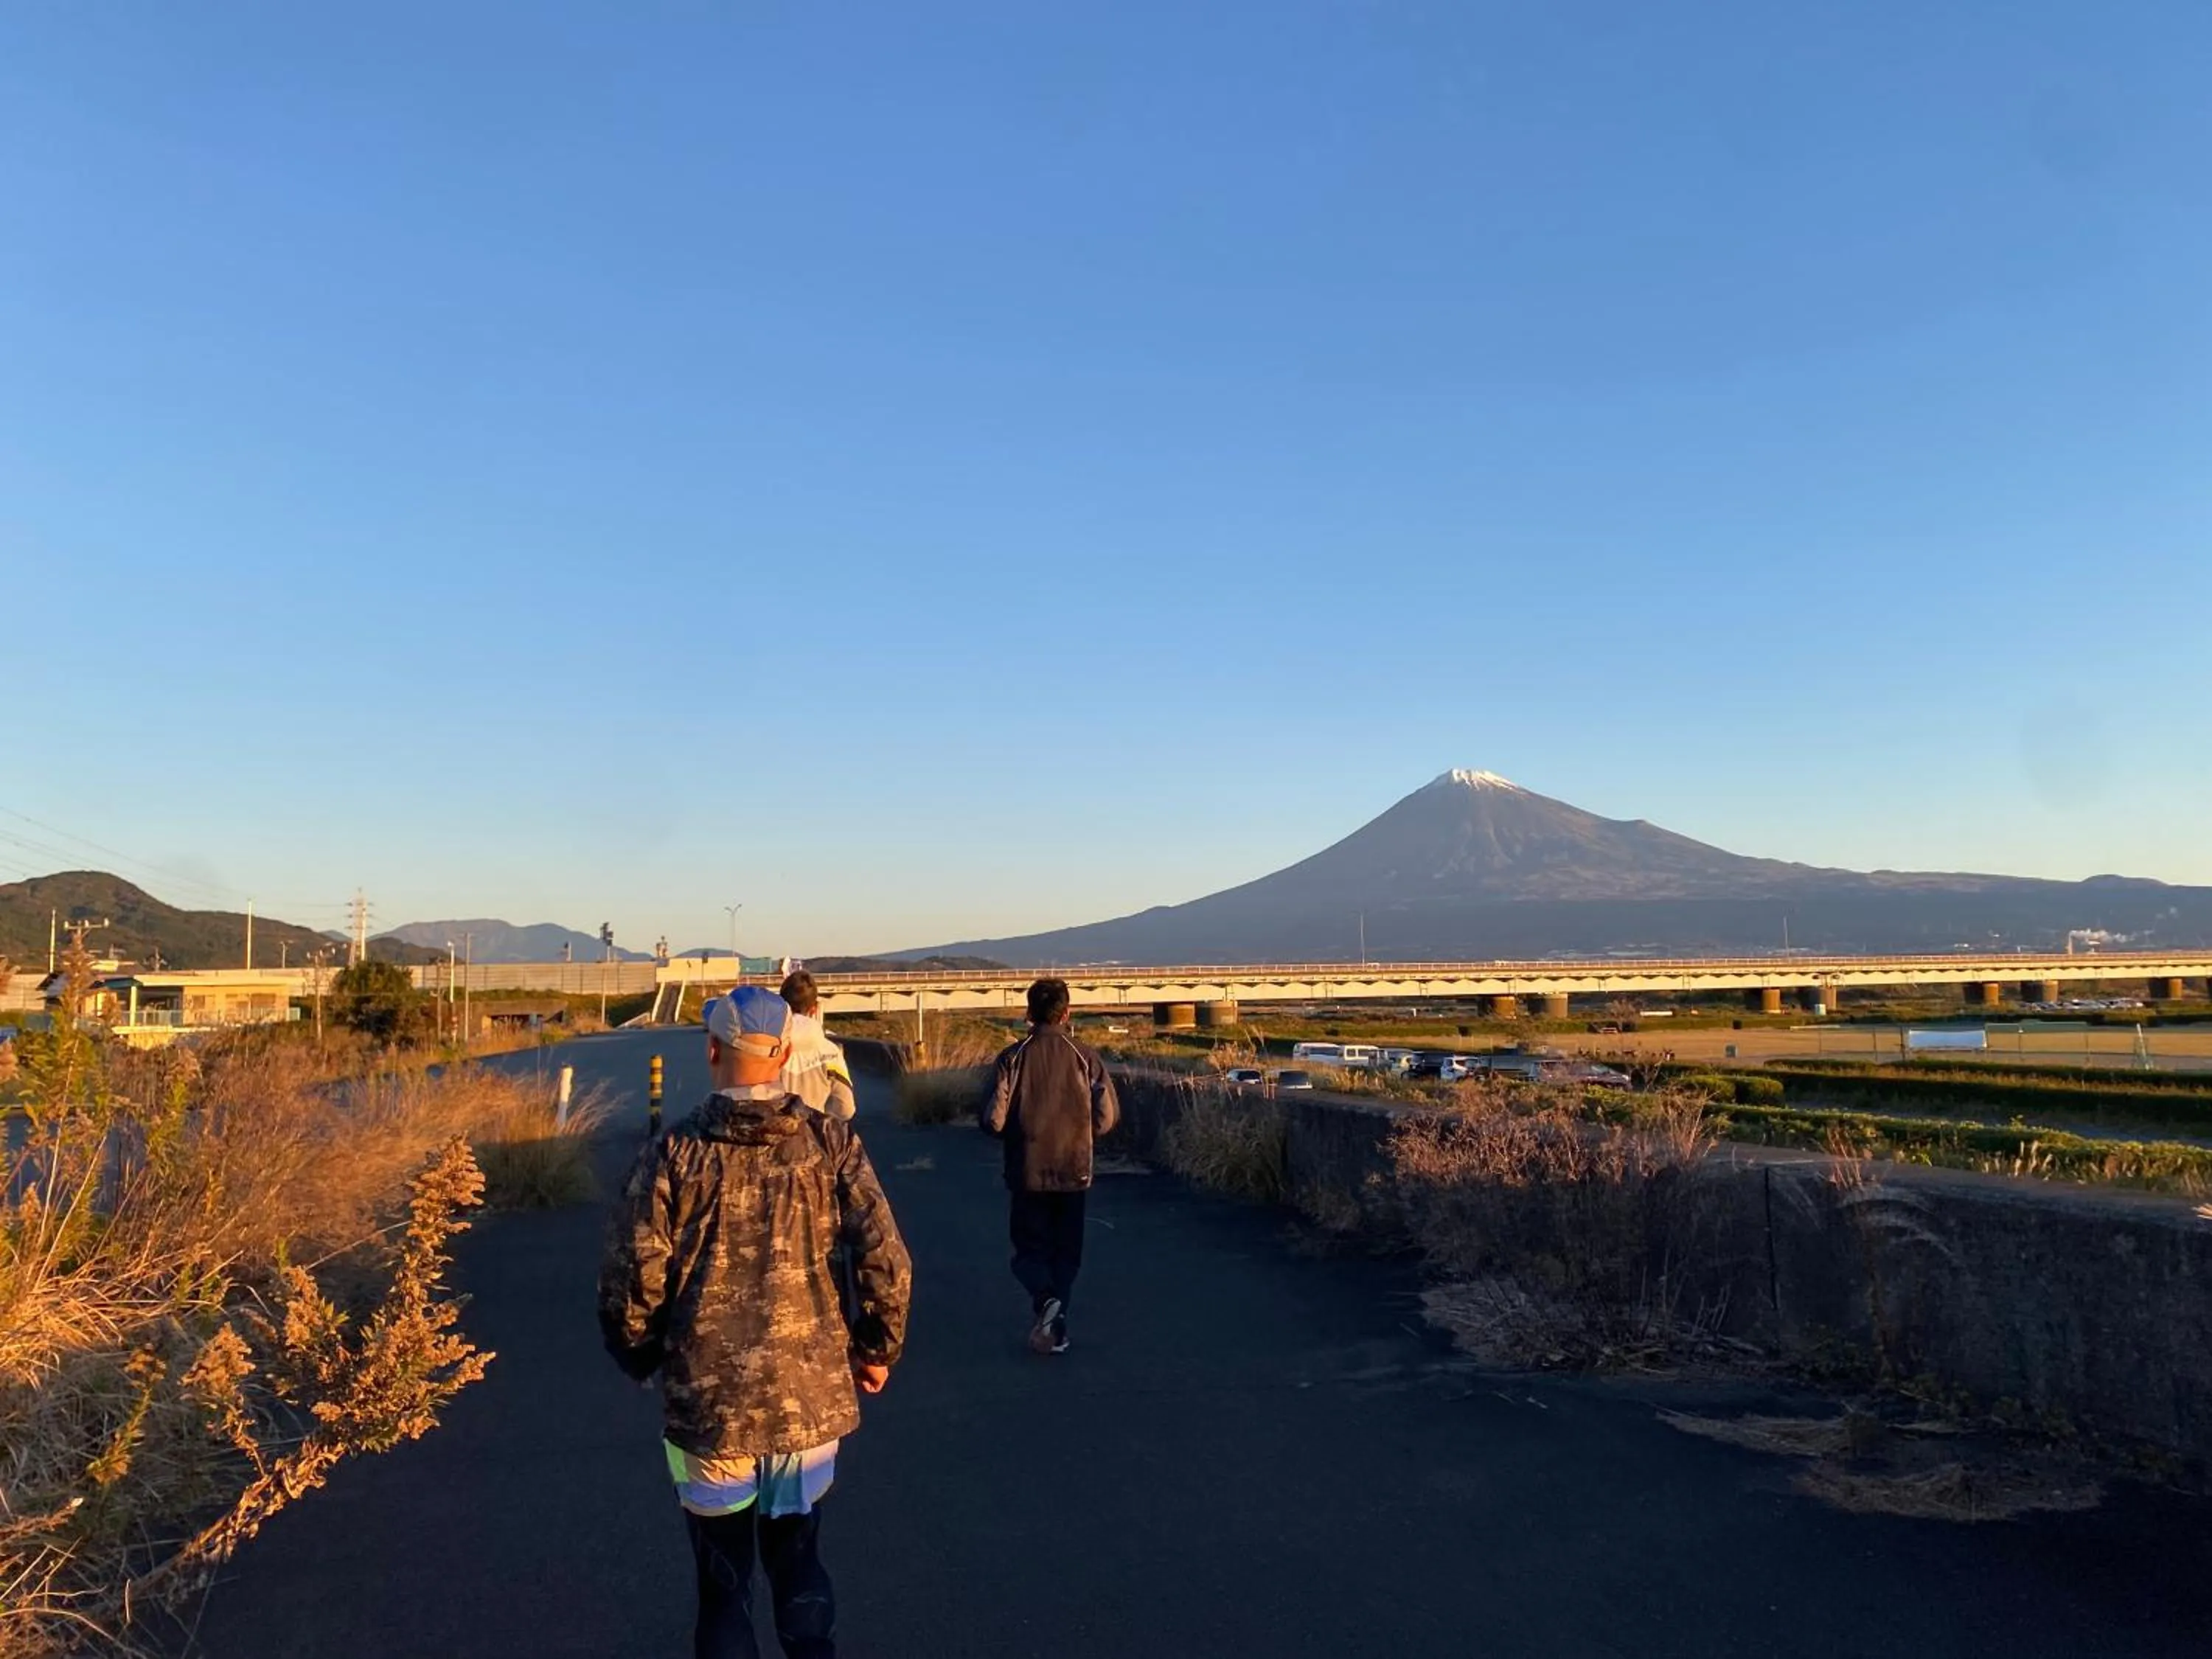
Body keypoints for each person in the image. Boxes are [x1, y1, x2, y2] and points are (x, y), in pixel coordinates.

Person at [599, 985, 911, 1659]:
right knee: (798, 1560)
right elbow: (886, 1256)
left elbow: (631, 1276)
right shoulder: (832, 1143)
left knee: (722, 1583)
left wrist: (640, 1356)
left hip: (707, 1403)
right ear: (787, 1049)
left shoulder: (674, 1154)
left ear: (712, 1050)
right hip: (809, 1394)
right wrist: (876, 1347)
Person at [980, 976, 1120, 1355]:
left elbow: (994, 1118)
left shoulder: (1013, 1057)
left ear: (1029, 1013)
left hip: (1027, 1169)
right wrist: (1082, 1132)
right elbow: (1106, 1117)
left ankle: (1045, 1304)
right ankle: (1055, 1327)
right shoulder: (1084, 1056)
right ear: (1067, 1013)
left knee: (1028, 1251)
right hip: (1074, 1168)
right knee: (1066, 1254)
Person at [778, 969, 856, 1121]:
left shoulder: (765, 1049)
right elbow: (846, 1109)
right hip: (813, 1137)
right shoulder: (830, 1052)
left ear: (781, 1006)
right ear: (814, 1009)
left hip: (772, 1138)